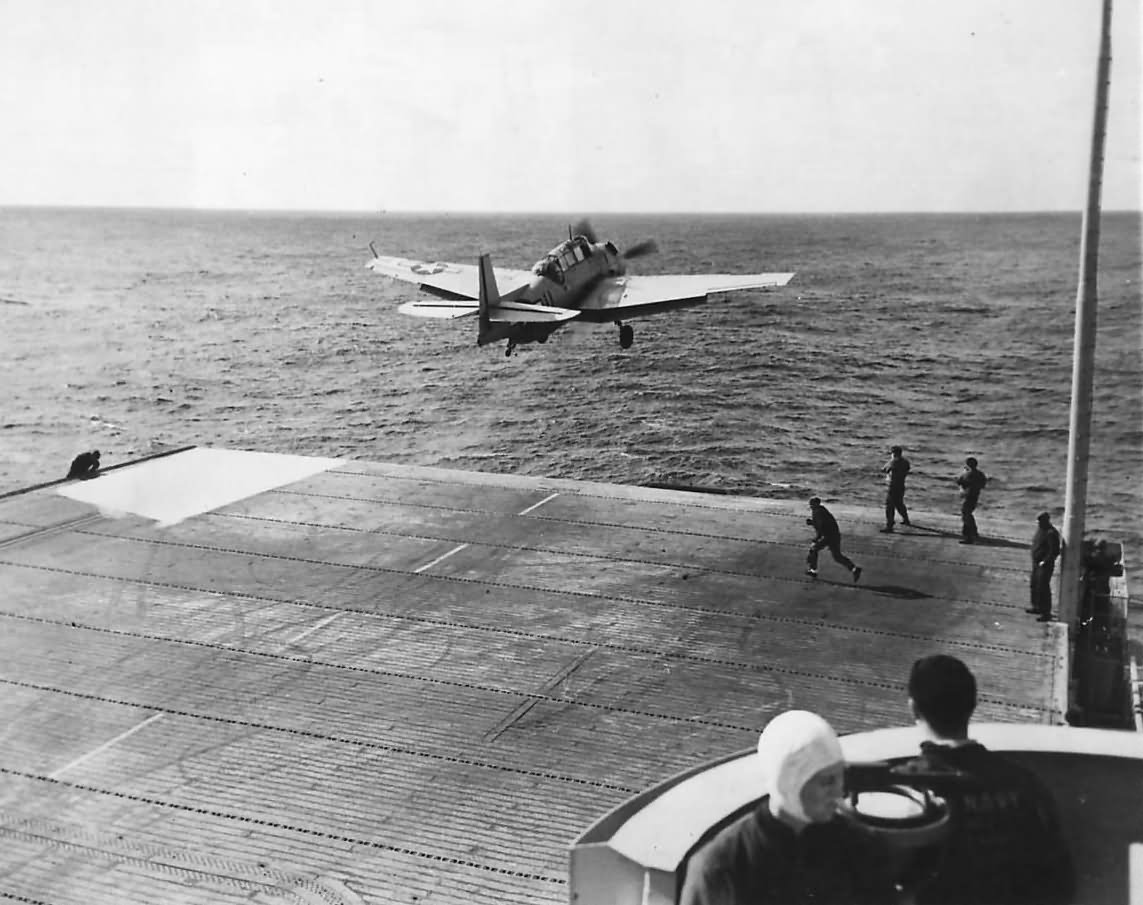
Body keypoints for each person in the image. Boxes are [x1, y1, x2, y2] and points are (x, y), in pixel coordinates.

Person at [896, 655, 1074, 905]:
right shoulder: (1025, 783)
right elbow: (1060, 882)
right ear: (974, 704)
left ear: (913, 708)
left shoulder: (907, 790)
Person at [679, 710, 894, 905]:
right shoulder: (720, 868)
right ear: (789, 782)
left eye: (841, 777)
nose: (839, 792)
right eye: (827, 781)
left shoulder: (861, 848)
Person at [806, 497, 862, 582]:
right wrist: (813, 523)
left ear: (816, 504)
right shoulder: (821, 511)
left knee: (814, 549)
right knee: (837, 556)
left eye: (812, 504)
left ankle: (813, 570)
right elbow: (822, 525)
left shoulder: (818, 512)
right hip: (834, 536)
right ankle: (854, 569)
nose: (811, 506)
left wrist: (816, 536)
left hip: (828, 536)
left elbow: (821, 526)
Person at [1026, 512, 1062, 622]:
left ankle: (1046, 613)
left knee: (1043, 587)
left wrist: (1045, 561)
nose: (1038, 523)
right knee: (1034, 584)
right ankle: (1036, 606)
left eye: (1040, 521)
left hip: (1044, 565)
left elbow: (1054, 551)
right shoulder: (1041, 530)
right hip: (1036, 563)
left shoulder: (1051, 533)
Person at [955, 457, 987, 544]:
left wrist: (963, 473)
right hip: (975, 496)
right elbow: (983, 484)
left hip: (968, 496)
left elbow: (959, 481)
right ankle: (971, 533)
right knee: (967, 514)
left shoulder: (968, 474)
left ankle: (970, 535)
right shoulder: (980, 474)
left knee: (966, 515)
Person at [881, 446, 912, 533]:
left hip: (893, 486)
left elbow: (884, 469)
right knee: (899, 504)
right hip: (901, 485)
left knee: (890, 506)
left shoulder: (893, 462)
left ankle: (889, 525)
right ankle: (906, 519)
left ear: (893, 454)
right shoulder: (905, 462)